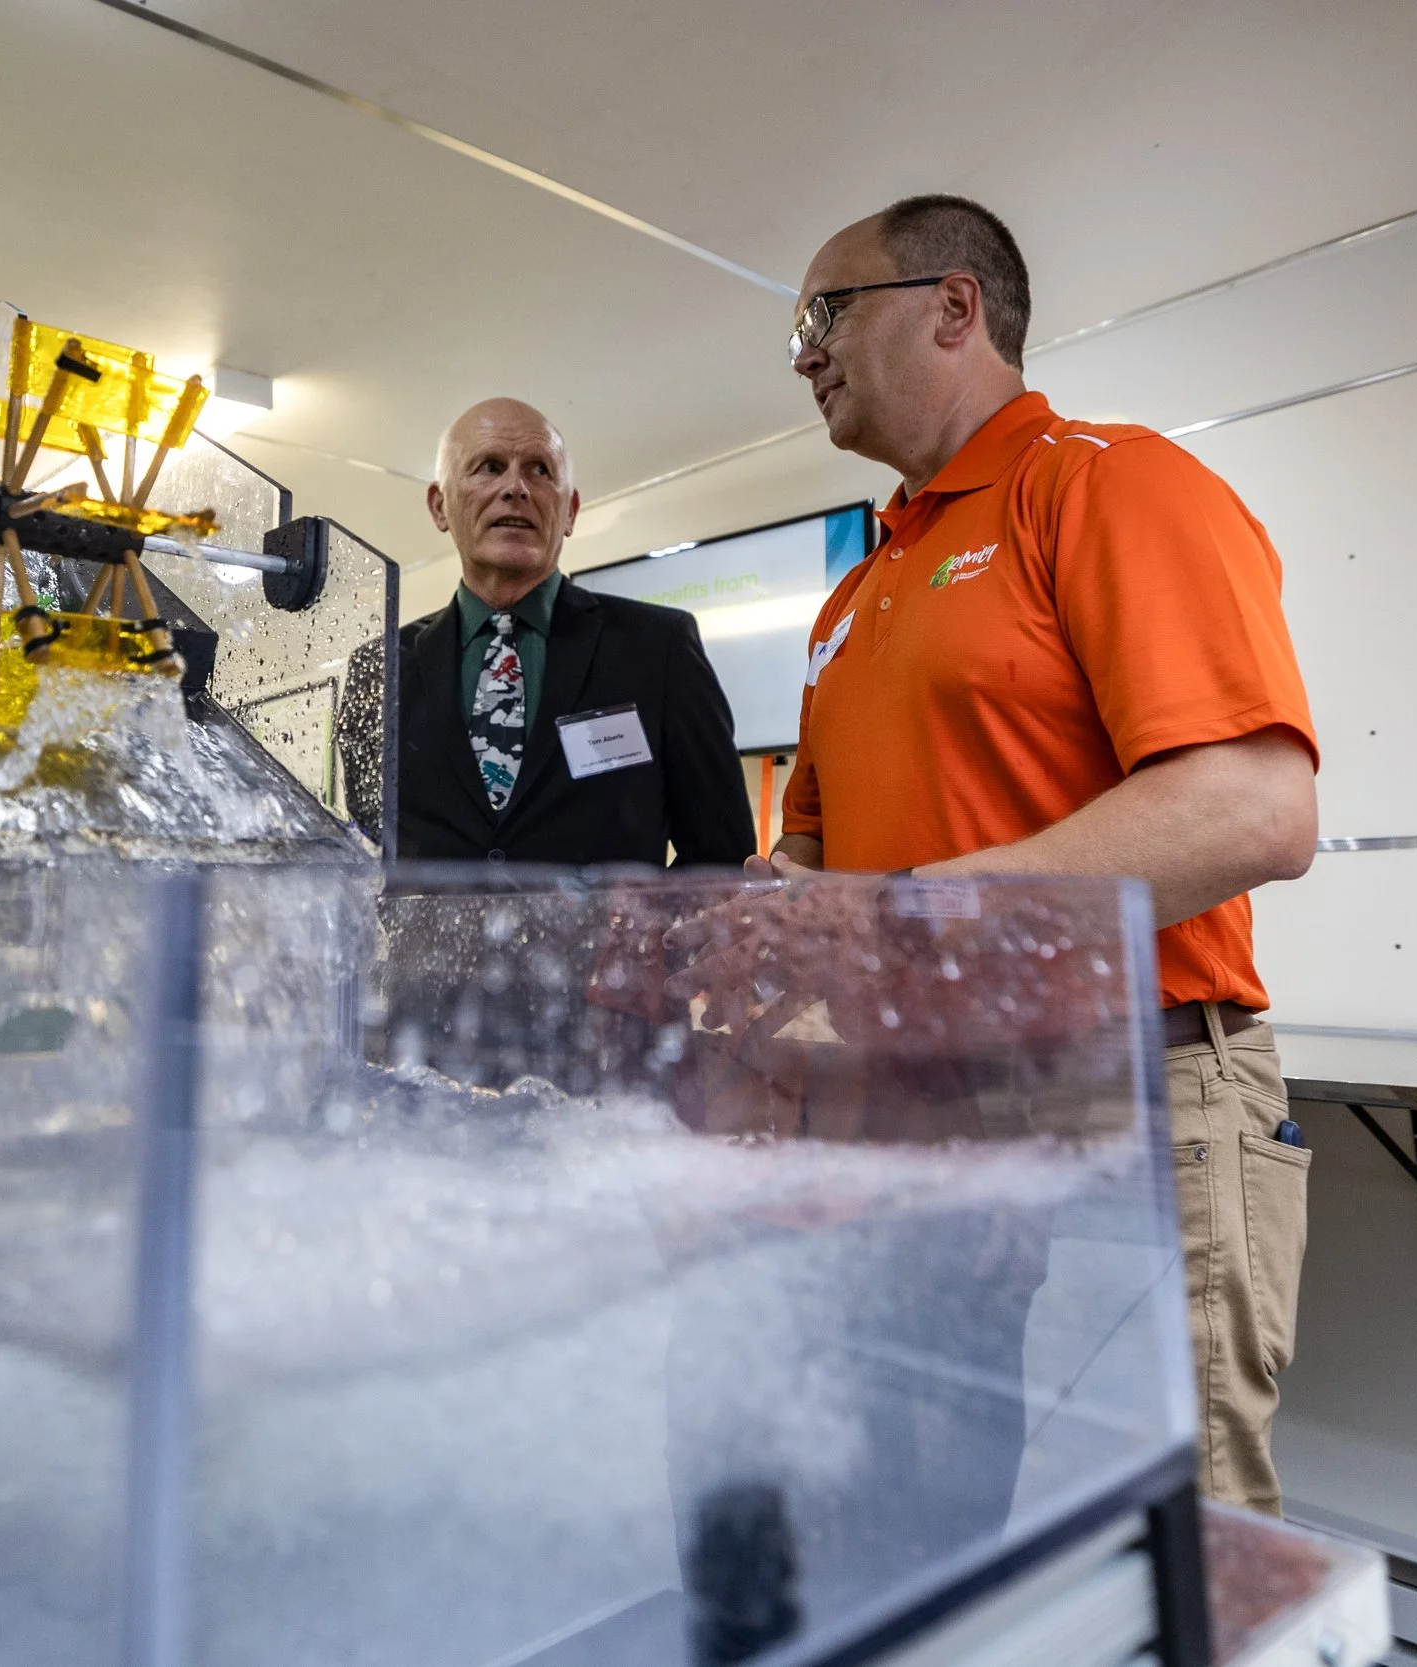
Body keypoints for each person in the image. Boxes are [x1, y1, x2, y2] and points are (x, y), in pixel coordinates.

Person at [669, 195, 1320, 1516]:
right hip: (918, 1114)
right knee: (935, 1522)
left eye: (823, 312)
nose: (802, 352)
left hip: (1126, 1085)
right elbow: (819, 867)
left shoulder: (1107, 483)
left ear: (953, 307)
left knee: (1160, 1547)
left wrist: (920, 912)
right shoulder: (854, 595)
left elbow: (1254, 806)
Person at [387, 397, 757, 869]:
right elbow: (356, 853)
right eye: (489, 467)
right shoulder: (382, 668)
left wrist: (651, 937)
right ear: (439, 505)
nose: (515, 487)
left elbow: (722, 858)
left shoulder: (659, 648)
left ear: (571, 511)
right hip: (428, 946)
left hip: (608, 945)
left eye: (539, 470)